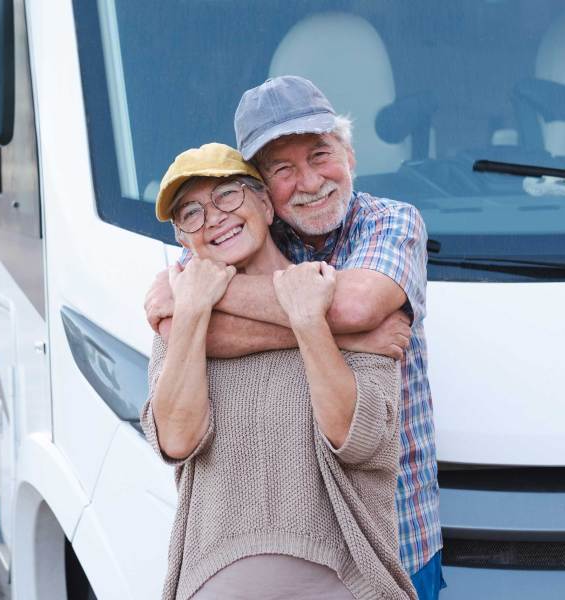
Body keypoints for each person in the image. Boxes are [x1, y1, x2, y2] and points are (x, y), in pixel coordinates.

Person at [144, 77, 443, 599]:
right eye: (283, 169)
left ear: (348, 154)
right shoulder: (231, 234)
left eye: (321, 154)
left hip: (395, 537)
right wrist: (343, 337)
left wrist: (207, 298)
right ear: (265, 190)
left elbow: (353, 305)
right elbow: (172, 323)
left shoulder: (389, 222)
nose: (308, 181)